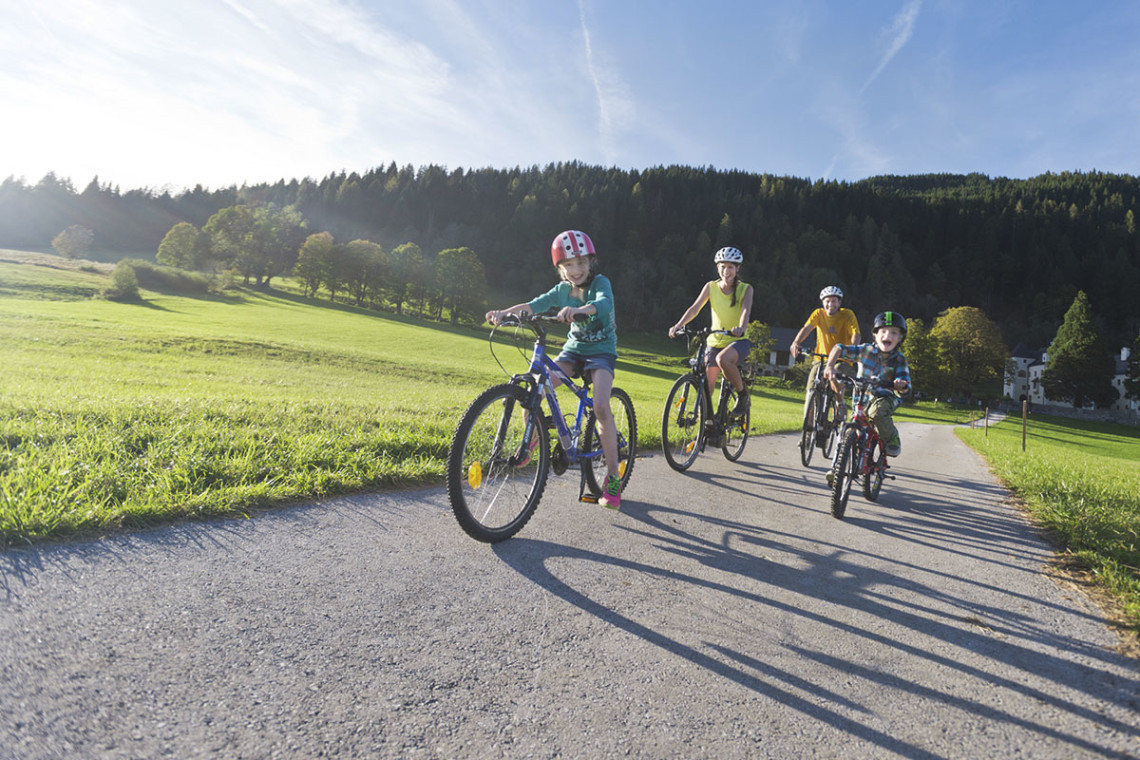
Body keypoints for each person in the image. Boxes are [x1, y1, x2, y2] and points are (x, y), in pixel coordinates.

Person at [485, 230, 624, 509]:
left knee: (599, 406)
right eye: (569, 265)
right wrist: (504, 313)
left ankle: (612, 477)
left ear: (590, 263)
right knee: (534, 390)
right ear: (560, 268)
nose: (576, 270)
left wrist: (583, 309)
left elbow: (604, 304)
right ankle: (530, 443)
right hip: (573, 352)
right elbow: (533, 305)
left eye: (582, 263)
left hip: (602, 352)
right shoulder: (561, 291)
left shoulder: (600, 283)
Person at [668, 247, 755, 416]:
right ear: (717, 268)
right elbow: (695, 309)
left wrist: (741, 328)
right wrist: (678, 325)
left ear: (738, 269)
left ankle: (743, 395)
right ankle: (705, 423)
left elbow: (746, 310)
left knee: (723, 359)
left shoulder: (746, 289)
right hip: (714, 341)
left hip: (738, 341)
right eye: (722, 266)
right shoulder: (711, 287)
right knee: (706, 386)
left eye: (730, 267)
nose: (726, 271)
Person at [823, 311, 912, 458]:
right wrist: (830, 366)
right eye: (883, 331)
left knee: (876, 413)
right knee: (852, 429)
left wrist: (901, 385)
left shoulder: (899, 360)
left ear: (900, 338)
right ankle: (841, 466)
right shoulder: (865, 350)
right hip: (862, 397)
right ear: (875, 335)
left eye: (894, 333)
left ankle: (891, 436)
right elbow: (839, 348)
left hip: (885, 398)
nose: (888, 336)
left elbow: (907, 388)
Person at [790, 286, 861, 415]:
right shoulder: (818, 313)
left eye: (834, 301)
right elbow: (807, 328)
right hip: (820, 359)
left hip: (842, 359)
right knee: (811, 389)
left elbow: (855, 334)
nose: (830, 304)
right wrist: (796, 342)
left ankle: (840, 403)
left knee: (835, 376)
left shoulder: (847, 314)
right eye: (827, 301)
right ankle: (808, 429)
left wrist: (853, 349)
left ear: (839, 303)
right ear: (823, 302)